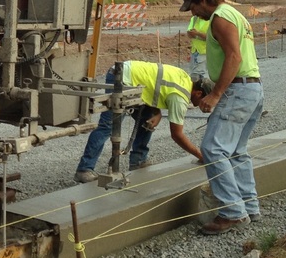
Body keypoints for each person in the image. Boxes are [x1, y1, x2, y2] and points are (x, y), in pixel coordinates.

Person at [180, 0, 264, 235]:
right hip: (252, 88)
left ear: (202, 0)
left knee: (213, 149)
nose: (193, 14)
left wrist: (216, 94)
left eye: (193, 7)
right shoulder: (235, 15)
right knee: (237, 151)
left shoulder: (220, 17)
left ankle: (232, 212)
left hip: (237, 90)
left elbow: (234, 57)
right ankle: (249, 206)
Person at [74, 60, 206, 183]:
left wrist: (157, 113)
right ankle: (84, 169)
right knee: (108, 126)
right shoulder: (180, 97)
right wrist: (200, 155)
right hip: (122, 78)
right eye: (205, 100)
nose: (205, 105)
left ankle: (138, 161)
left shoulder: (184, 78)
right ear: (199, 93)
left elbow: (155, 86)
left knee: (147, 120)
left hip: (132, 76)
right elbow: (177, 134)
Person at [186, 14, 210, 79]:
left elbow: (211, 38)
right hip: (194, 51)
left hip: (205, 52)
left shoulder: (211, 20)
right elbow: (189, 34)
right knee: (193, 75)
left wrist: (197, 33)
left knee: (200, 75)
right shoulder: (194, 19)